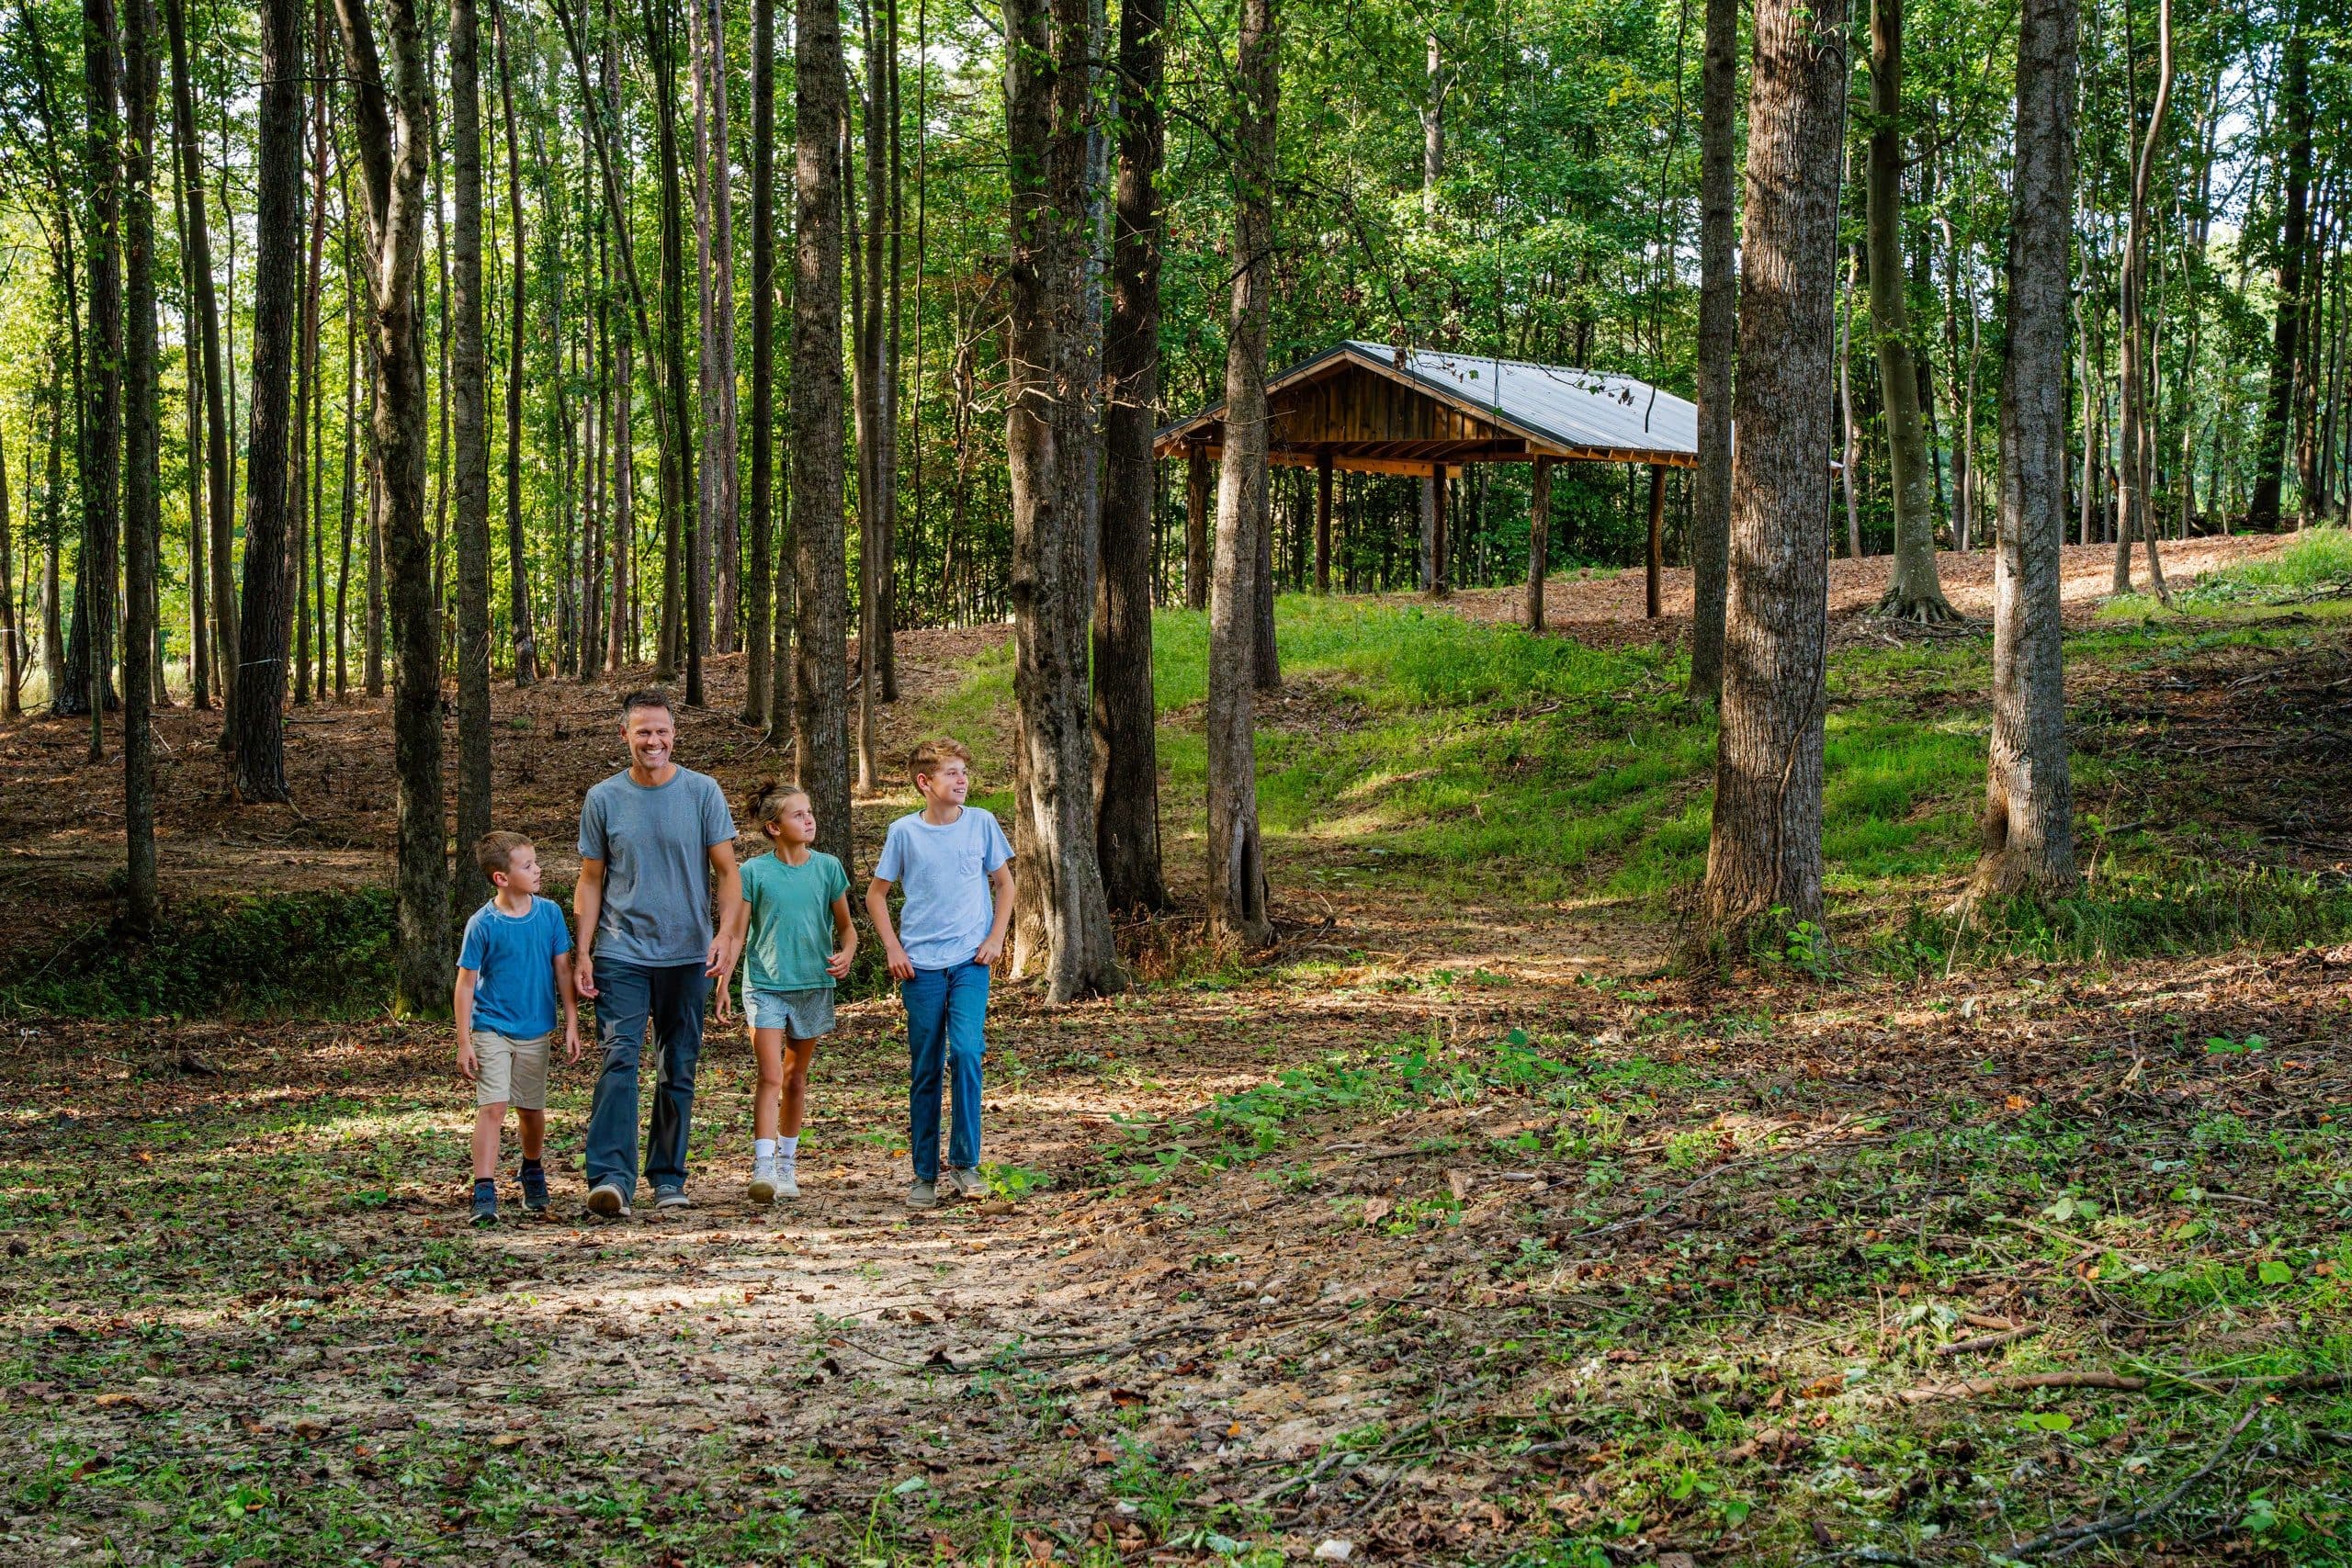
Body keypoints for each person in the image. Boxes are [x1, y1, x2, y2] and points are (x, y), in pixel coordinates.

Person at [573, 688, 741, 1218]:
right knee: (619, 1057)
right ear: (624, 734)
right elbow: (591, 880)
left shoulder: (702, 792)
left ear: (674, 734)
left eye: (662, 731)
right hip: (620, 951)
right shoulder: (603, 798)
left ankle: (668, 1176)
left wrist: (724, 935)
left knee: (678, 1066)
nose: (654, 740)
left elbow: (729, 874)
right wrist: (583, 951)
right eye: (643, 731)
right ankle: (610, 1178)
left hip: (687, 953)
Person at [865, 737, 1014, 1210]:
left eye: (964, 772)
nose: (962, 780)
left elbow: (1005, 884)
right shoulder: (904, 832)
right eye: (952, 773)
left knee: (968, 1054)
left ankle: (965, 1165)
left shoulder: (983, 824)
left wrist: (996, 939)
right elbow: (876, 895)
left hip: (971, 962)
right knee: (926, 1066)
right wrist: (893, 948)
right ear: (924, 783)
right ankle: (924, 1174)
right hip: (921, 968)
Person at [716, 784, 856, 1203]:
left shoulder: (828, 867)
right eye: (798, 815)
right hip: (765, 986)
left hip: (813, 984)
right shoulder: (754, 873)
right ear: (774, 827)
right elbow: (737, 933)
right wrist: (723, 983)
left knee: (796, 1079)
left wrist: (847, 953)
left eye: (809, 812)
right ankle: (762, 1168)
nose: (809, 819)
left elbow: (847, 927)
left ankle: (787, 1166)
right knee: (771, 1076)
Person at [454, 831, 582, 1225]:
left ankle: (532, 1168)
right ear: (502, 879)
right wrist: (464, 1041)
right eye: (528, 866)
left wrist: (571, 1022)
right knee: (492, 1106)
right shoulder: (482, 924)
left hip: (535, 1030)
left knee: (531, 1110)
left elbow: (563, 970)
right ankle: (484, 1190)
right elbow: (466, 984)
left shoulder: (549, 914)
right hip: (490, 1026)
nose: (538, 869)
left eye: (535, 862)